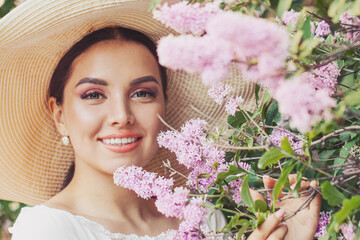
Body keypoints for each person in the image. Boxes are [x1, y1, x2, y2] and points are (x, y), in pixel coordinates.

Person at [0, 0, 320, 239]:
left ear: (164, 106)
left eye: (142, 93)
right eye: (94, 94)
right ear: (59, 115)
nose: (122, 116)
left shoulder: (204, 219)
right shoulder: (47, 228)